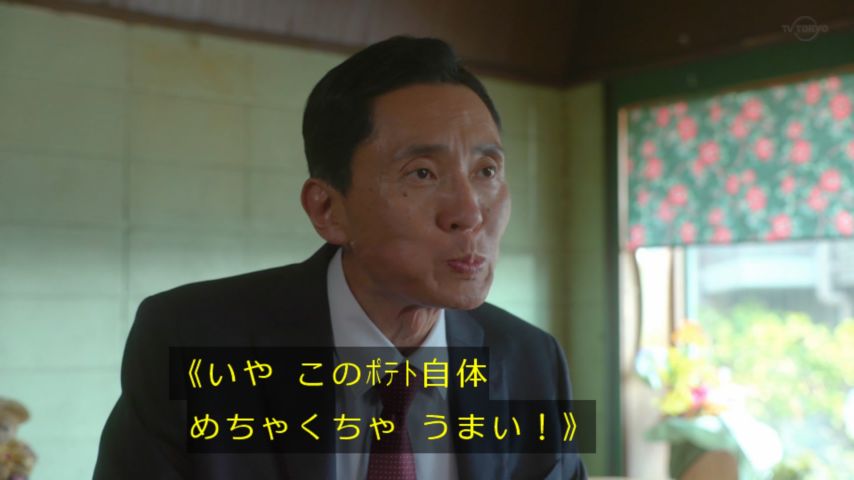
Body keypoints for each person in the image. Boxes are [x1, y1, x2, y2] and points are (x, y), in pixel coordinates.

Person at [94, 35, 587, 480]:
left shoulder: (532, 360)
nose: (469, 213)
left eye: (487, 170)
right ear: (328, 209)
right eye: (422, 173)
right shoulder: (191, 341)